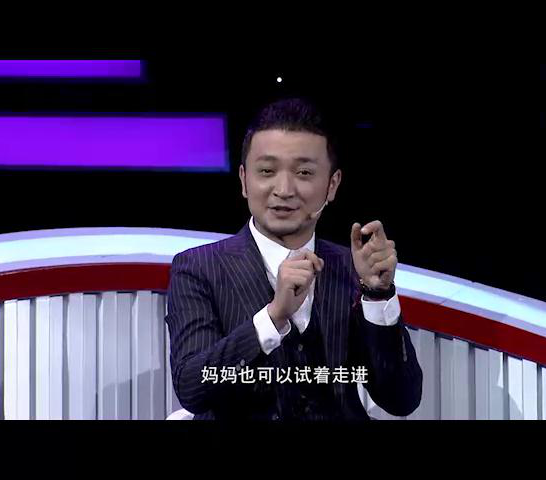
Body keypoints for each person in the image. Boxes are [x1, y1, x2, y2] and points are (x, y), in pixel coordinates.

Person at [165, 98, 422, 420]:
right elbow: (192, 387)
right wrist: (273, 317)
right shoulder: (199, 268)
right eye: (267, 171)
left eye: (303, 172)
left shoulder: (353, 268)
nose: (284, 189)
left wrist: (377, 294)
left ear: (332, 185)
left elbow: (401, 400)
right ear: (244, 180)